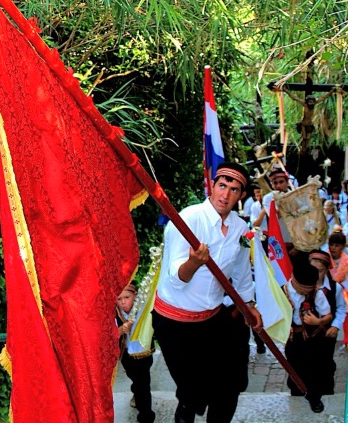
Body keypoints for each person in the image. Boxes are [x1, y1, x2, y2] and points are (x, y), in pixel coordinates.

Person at [152, 162, 262, 423]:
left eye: (234, 189)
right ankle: (186, 409)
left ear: (241, 195)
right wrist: (194, 263)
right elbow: (176, 278)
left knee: (228, 383)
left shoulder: (239, 227)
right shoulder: (187, 220)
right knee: (191, 392)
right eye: (222, 186)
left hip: (211, 319)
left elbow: (241, 271)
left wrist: (249, 304)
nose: (225, 195)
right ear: (212, 185)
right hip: (173, 323)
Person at [284, 257, 332, 413]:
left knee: (314, 368)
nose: (307, 292)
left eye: (309, 289)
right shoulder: (281, 292)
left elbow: (328, 316)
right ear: (294, 281)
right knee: (294, 368)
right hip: (292, 338)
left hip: (312, 338)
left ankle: (314, 397)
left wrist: (317, 321)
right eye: (304, 289)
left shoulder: (316, 293)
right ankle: (297, 394)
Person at [308, 249, 347, 395]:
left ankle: (326, 390)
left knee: (326, 363)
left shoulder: (334, 288)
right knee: (309, 362)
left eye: (320, 271)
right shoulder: (303, 286)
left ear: (326, 270)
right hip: (307, 333)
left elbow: (341, 308)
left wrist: (336, 326)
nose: (316, 275)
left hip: (327, 333)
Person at [116, 284, 156, 423]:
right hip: (126, 356)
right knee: (134, 378)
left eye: (127, 297)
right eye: (119, 299)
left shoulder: (144, 308)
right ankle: (136, 390)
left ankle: (146, 416)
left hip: (144, 354)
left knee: (143, 385)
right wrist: (121, 330)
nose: (123, 302)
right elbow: (108, 334)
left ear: (135, 296)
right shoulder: (115, 312)